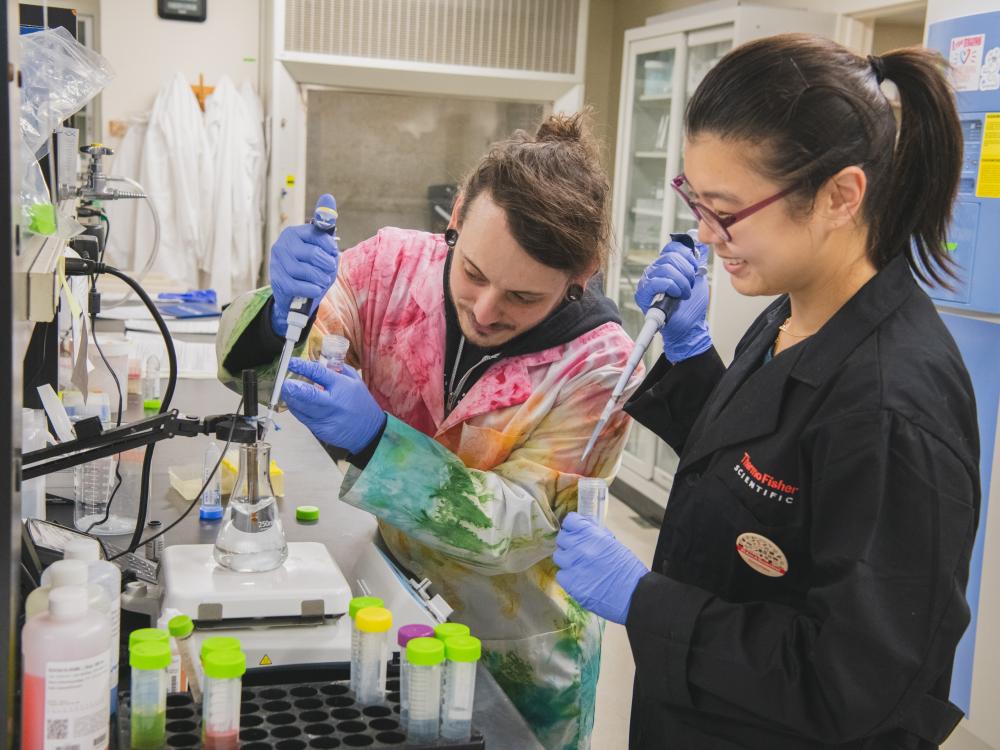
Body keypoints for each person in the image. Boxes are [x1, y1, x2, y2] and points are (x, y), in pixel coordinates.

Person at [554, 34, 980, 749]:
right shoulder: (797, 310)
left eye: (725, 210)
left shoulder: (893, 406)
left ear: (839, 196)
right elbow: (766, 470)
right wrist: (690, 356)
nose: (704, 234)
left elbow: (851, 681)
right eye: (695, 199)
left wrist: (645, 602)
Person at [216, 112, 642, 749]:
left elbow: (518, 527)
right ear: (458, 214)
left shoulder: (603, 368)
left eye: (523, 298)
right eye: (474, 272)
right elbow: (277, 367)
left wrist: (376, 442)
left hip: (517, 650)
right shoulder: (388, 267)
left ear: (583, 274)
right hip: (393, 604)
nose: (486, 310)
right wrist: (280, 316)